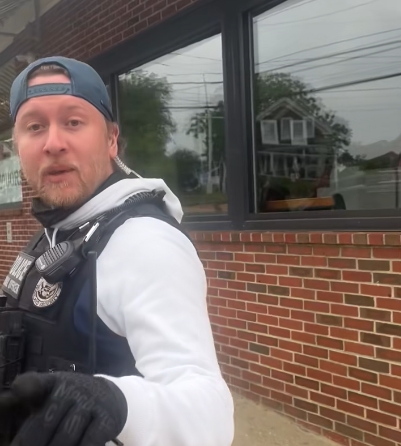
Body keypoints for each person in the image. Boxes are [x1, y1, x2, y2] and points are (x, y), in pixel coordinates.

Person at [0, 56, 234, 446]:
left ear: (111, 140)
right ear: (17, 147)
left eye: (73, 122)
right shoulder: (57, 233)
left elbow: (210, 415)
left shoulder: (144, 242)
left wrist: (119, 404)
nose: (53, 143)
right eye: (34, 127)